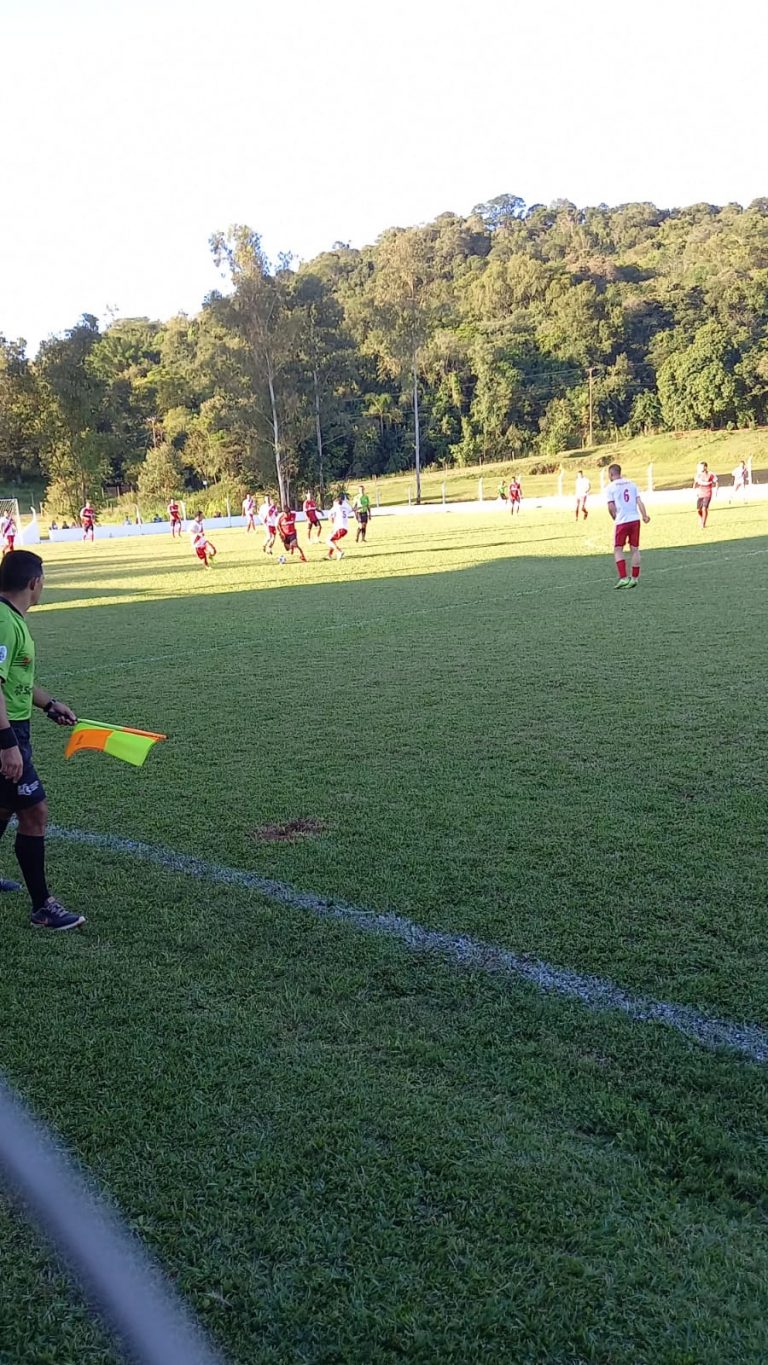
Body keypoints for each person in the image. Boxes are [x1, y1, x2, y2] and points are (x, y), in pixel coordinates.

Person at [0, 551, 84, 928]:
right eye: (43, 580)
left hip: (15, 727)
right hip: (6, 733)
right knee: (34, 812)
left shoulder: (11, 618)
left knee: (3, 807)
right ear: (34, 583)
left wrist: (49, 704)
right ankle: (42, 908)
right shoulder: (4, 622)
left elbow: (16, 682)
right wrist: (8, 744)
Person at [606, 463, 650, 588]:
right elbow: (639, 501)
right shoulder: (632, 484)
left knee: (618, 549)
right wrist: (644, 515)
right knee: (635, 549)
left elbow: (611, 506)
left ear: (611, 474)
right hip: (635, 519)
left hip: (622, 520)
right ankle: (634, 578)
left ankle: (624, 578)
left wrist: (614, 517)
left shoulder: (610, 487)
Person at [693, 462, 718, 529]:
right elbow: (695, 483)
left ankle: (703, 524)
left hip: (708, 493)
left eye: (702, 466)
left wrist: (716, 490)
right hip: (700, 493)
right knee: (698, 510)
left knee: (704, 508)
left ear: (705, 467)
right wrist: (695, 490)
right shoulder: (698, 475)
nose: (700, 468)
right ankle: (702, 518)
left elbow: (716, 481)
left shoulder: (711, 474)